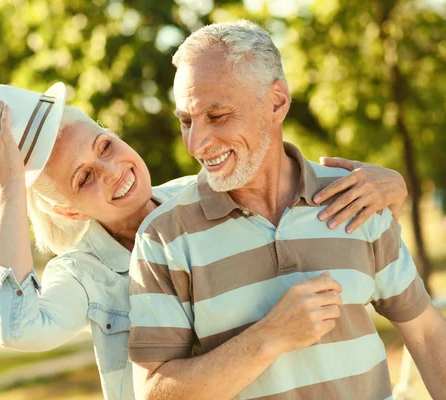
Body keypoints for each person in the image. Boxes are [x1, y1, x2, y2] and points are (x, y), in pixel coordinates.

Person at [0, 82, 408, 399]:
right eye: (84, 179)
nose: (113, 170)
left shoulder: (202, 193)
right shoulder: (82, 274)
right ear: (68, 210)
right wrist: (9, 186)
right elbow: (17, 328)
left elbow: (302, 205)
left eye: (104, 146)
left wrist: (391, 187)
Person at [128, 20, 446, 400]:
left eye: (216, 116)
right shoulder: (164, 237)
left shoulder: (357, 196)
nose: (196, 143)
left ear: (276, 102)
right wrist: (269, 337)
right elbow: (154, 393)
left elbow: (426, 334)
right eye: (186, 121)